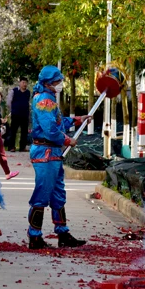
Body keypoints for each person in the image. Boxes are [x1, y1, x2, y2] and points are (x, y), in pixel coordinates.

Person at [27, 66, 92, 250]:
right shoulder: (45, 101)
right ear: (48, 82)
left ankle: (62, 233)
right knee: (42, 194)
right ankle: (34, 236)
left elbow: (58, 122)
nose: (60, 84)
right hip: (45, 152)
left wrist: (78, 120)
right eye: (57, 81)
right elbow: (50, 130)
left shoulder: (49, 99)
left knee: (57, 194)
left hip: (52, 153)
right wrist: (67, 140)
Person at [6, 77, 32, 152]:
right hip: (15, 114)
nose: (25, 84)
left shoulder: (28, 92)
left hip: (25, 115)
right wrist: (13, 110)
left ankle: (22, 147)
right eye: (23, 82)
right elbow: (8, 102)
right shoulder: (14, 91)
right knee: (13, 131)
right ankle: (11, 147)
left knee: (24, 132)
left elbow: (27, 102)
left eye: (26, 83)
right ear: (19, 83)